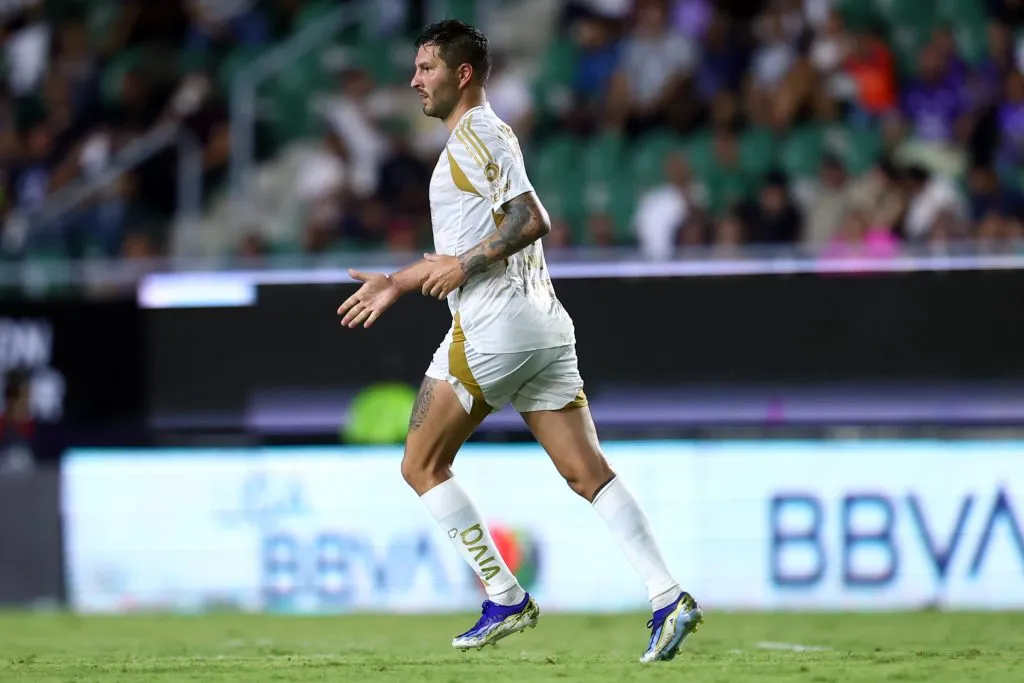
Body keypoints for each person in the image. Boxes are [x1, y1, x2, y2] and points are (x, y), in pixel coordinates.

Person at [336, 20, 702, 663]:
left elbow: (530, 219)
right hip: (543, 326)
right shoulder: (484, 137)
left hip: (494, 328)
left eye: (426, 68)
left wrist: (464, 265)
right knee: (586, 472)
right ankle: (668, 596)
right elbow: (459, 252)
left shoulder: (476, 134)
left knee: (420, 464)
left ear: (462, 74)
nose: (414, 79)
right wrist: (397, 281)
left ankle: (505, 595)